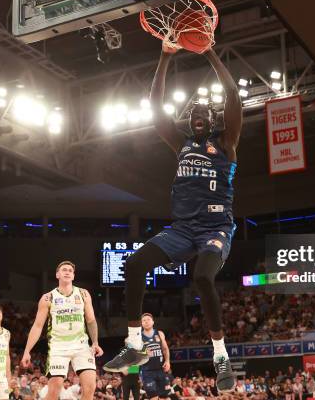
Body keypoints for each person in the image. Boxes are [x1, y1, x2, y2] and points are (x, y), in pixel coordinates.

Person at [102, 39, 243, 394]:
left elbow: (233, 99)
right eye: (192, 112)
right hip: (182, 229)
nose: (197, 115)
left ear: (211, 120)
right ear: (188, 119)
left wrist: (209, 51)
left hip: (215, 227)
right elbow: (154, 106)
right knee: (133, 265)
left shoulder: (226, 143)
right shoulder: (180, 143)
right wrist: (165, 57)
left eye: (203, 112)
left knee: (203, 279)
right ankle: (134, 345)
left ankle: (220, 356)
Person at [20, 261, 103, 400]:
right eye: (64, 269)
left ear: (73, 276)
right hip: (58, 346)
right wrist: (27, 351)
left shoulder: (83, 294)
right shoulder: (48, 297)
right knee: (54, 391)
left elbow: (91, 320)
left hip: (81, 345)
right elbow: (38, 326)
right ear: (57, 274)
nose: (67, 272)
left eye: (70, 270)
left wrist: (95, 342)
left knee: (90, 388)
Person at [137, 314, 170, 400]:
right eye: (144, 320)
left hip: (161, 370)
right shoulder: (138, 337)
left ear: (153, 322)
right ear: (141, 323)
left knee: (164, 397)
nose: (146, 322)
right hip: (147, 372)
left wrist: (167, 361)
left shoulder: (159, 333)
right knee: (153, 397)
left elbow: (165, 349)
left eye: (148, 319)